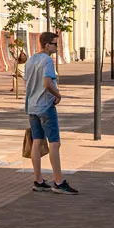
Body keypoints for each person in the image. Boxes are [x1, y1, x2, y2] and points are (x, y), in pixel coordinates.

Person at [24, 31, 78, 192]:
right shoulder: (47, 60)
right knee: (54, 143)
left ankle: (38, 180)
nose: (57, 47)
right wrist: (58, 94)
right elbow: (47, 83)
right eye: (55, 44)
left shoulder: (30, 60)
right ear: (47, 45)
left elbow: (27, 81)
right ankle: (59, 182)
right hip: (45, 106)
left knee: (37, 141)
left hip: (32, 106)